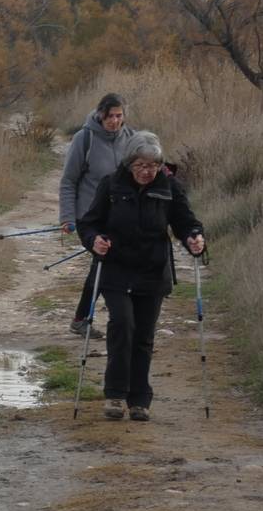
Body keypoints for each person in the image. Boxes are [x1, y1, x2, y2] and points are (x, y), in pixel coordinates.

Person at [77, 132, 205, 422]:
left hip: (152, 270)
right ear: (129, 163)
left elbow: (186, 222)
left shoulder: (169, 186)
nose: (147, 172)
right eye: (141, 166)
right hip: (116, 268)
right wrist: (94, 239)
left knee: (144, 335)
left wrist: (195, 238)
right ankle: (115, 394)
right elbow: (89, 223)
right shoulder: (111, 185)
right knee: (122, 325)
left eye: (153, 166)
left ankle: (139, 399)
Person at [58, 92, 141, 339]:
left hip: (121, 217)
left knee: (105, 264)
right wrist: (67, 217)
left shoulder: (132, 138)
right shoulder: (85, 139)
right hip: (89, 218)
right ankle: (86, 319)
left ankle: (83, 318)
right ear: (100, 115)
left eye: (119, 116)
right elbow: (68, 181)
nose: (115, 121)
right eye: (110, 116)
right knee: (104, 260)